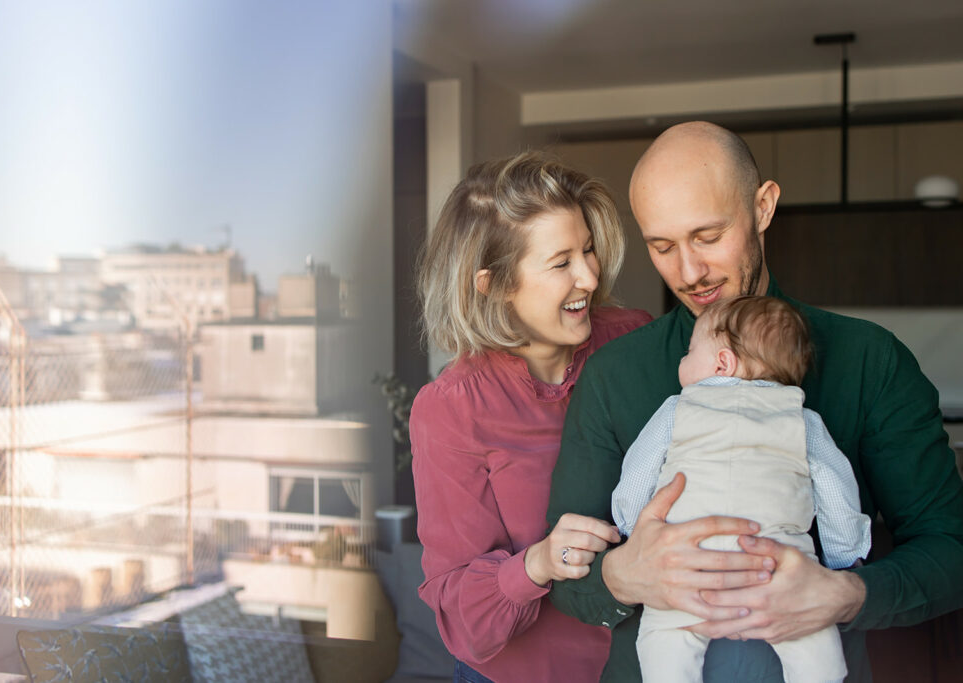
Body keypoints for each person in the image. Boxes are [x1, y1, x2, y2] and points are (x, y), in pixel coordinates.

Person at [546, 120, 963, 682]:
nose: (688, 273)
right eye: (662, 246)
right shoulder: (614, 376)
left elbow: (951, 548)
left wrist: (846, 594)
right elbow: (566, 574)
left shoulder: (870, 361)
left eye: (708, 236)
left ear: (763, 207)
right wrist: (624, 575)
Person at [409, 151, 653, 683]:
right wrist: (538, 563)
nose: (590, 276)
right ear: (492, 285)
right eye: (562, 262)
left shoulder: (634, 340)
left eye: (588, 251)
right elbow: (462, 618)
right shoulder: (451, 408)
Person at [611, 294, 871, 683]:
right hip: (776, 569)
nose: (682, 361)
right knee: (814, 646)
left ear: (722, 363)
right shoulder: (802, 419)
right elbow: (837, 488)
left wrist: (633, 529)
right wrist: (842, 555)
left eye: (689, 351)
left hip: (687, 566)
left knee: (665, 639)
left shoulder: (676, 408)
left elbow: (639, 470)